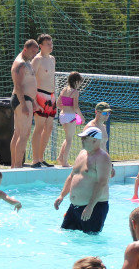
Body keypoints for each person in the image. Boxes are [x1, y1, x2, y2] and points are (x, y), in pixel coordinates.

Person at [54, 127, 113, 234]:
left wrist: (90, 206)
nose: (82, 140)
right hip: (74, 207)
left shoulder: (102, 158)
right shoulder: (82, 153)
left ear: (95, 140)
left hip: (94, 207)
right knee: (65, 235)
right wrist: (62, 195)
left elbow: (102, 183)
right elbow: (72, 176)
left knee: (90, 242)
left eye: (85, 138)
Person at [9, 38, 39, 168]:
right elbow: (19, 86)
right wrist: (25, 105)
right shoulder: (20, 64)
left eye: (36, 52)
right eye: (32, 51)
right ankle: (17, 166)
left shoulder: (27, 62)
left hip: (26, 100)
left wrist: (33, 101)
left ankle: (14, 165)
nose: (34, 55)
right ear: (25, 49)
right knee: (24, 134)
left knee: (18, 133)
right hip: (22, 100)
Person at [31, 34, 57, 168]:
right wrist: (34, 100)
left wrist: (55, 98)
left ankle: (41, 158)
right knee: (39, 128)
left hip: (51, 97)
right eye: (48, 44)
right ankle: (35, 159)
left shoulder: (52, 59)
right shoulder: (37, 60)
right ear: (40, 46)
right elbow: (31, 80)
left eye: (51, 43)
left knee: (49, 128)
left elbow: (52, 79)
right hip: (40, 95)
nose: (50, 46)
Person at [56, 71, 84, 166]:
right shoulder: (75, 92)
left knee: (67, 137)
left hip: (62, 115)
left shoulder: (64, 90)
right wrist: (81, 116)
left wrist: (65, 108)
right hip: (70, 116)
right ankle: (65, 162)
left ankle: (60, 157)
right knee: (69, 139)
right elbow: (76, 107)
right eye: (79, 82)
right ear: (76, 81)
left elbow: (58, 104)